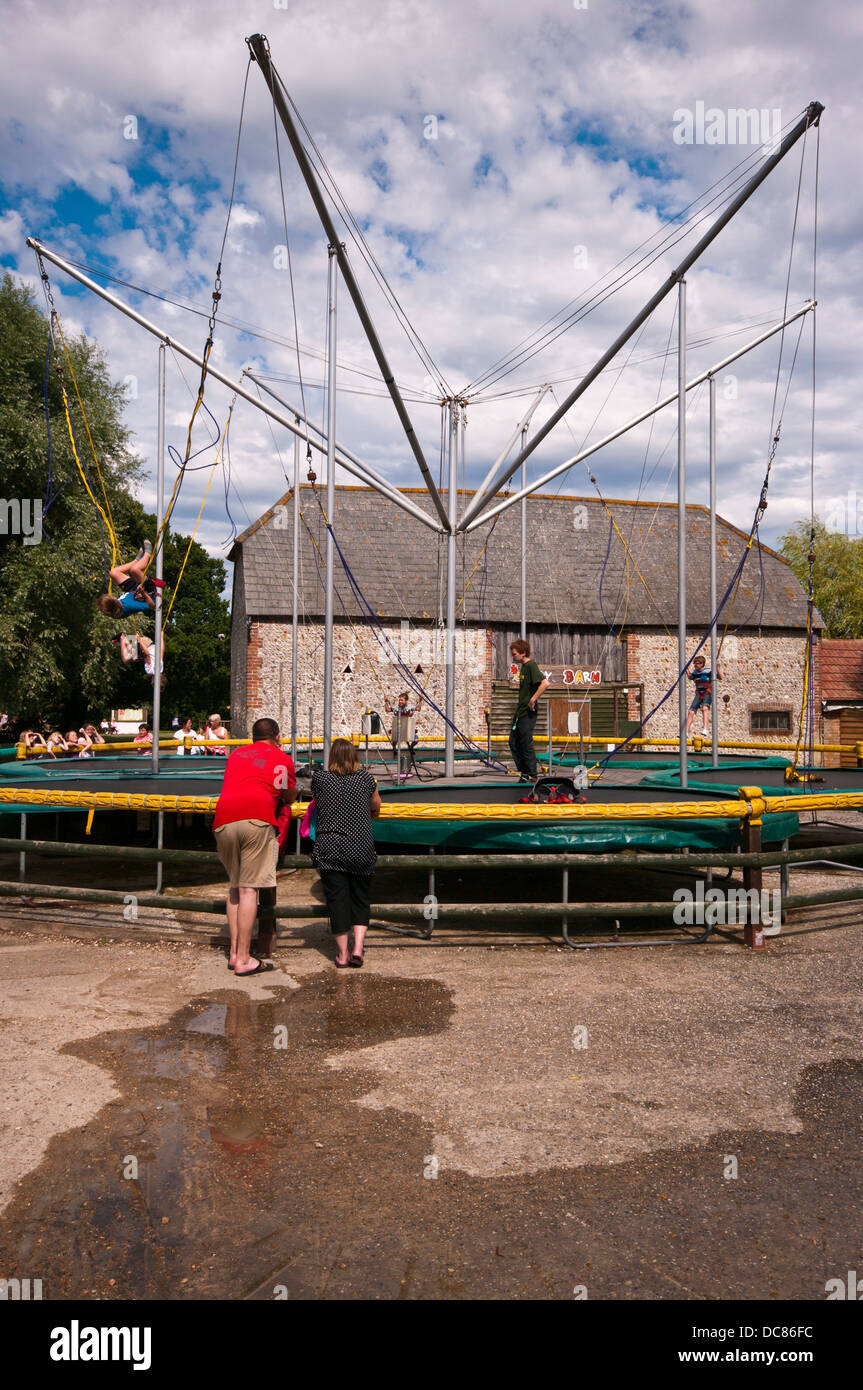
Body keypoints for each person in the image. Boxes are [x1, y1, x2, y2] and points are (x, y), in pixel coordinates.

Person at [212, 716, 297, 977]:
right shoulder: (282, 759)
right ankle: (245, 959)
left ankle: (235, 952)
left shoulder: (236, 755)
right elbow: (287, 794)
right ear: (277, 737)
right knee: (250, 891)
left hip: (224, 820)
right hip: (256, 819)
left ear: (252, 737)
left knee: (235, 888)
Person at [311, 737, 381, 969]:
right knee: (361, 897)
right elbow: (376, 806)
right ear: (354, 757)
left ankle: (342, 954)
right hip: (361, 845)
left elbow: (317, 802)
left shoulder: (320, 779)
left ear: (332, 757)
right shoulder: (365, 778)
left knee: (337, 900)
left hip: (331, 846)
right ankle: (358, 949)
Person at [508, 640, 550, 781]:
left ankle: (532, 774)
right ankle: (524, 772)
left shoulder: (531, 666)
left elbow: (545, 683)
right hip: (520, 711)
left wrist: (533, 699)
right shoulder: (523, 667)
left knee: (525, 742)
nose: (512, 657)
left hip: (528, 712)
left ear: (523, 653)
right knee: (513, 741)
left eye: (514, 654)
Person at [97, 542, 165, 620]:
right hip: (148, 592)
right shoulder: (129, 606)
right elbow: (151, 605)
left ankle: (136, 561)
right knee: (134, 570)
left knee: (113, 573)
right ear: (114, 602)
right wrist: (143, 593)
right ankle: (147, 555)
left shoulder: (115, 608)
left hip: (133, 590)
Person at [686, 655, 721, 736]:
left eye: (697, 664)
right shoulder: (695, 673)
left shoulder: (708, 671)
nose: (695, 665)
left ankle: (705, 728)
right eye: (694, 664)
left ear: (702, 664)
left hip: (707, 692)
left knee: (705, 708)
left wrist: (717, 668)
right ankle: (686, 732)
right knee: (691, 712)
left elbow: (719, 677)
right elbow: (690, 677)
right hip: (698, 693)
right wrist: (686, 669)